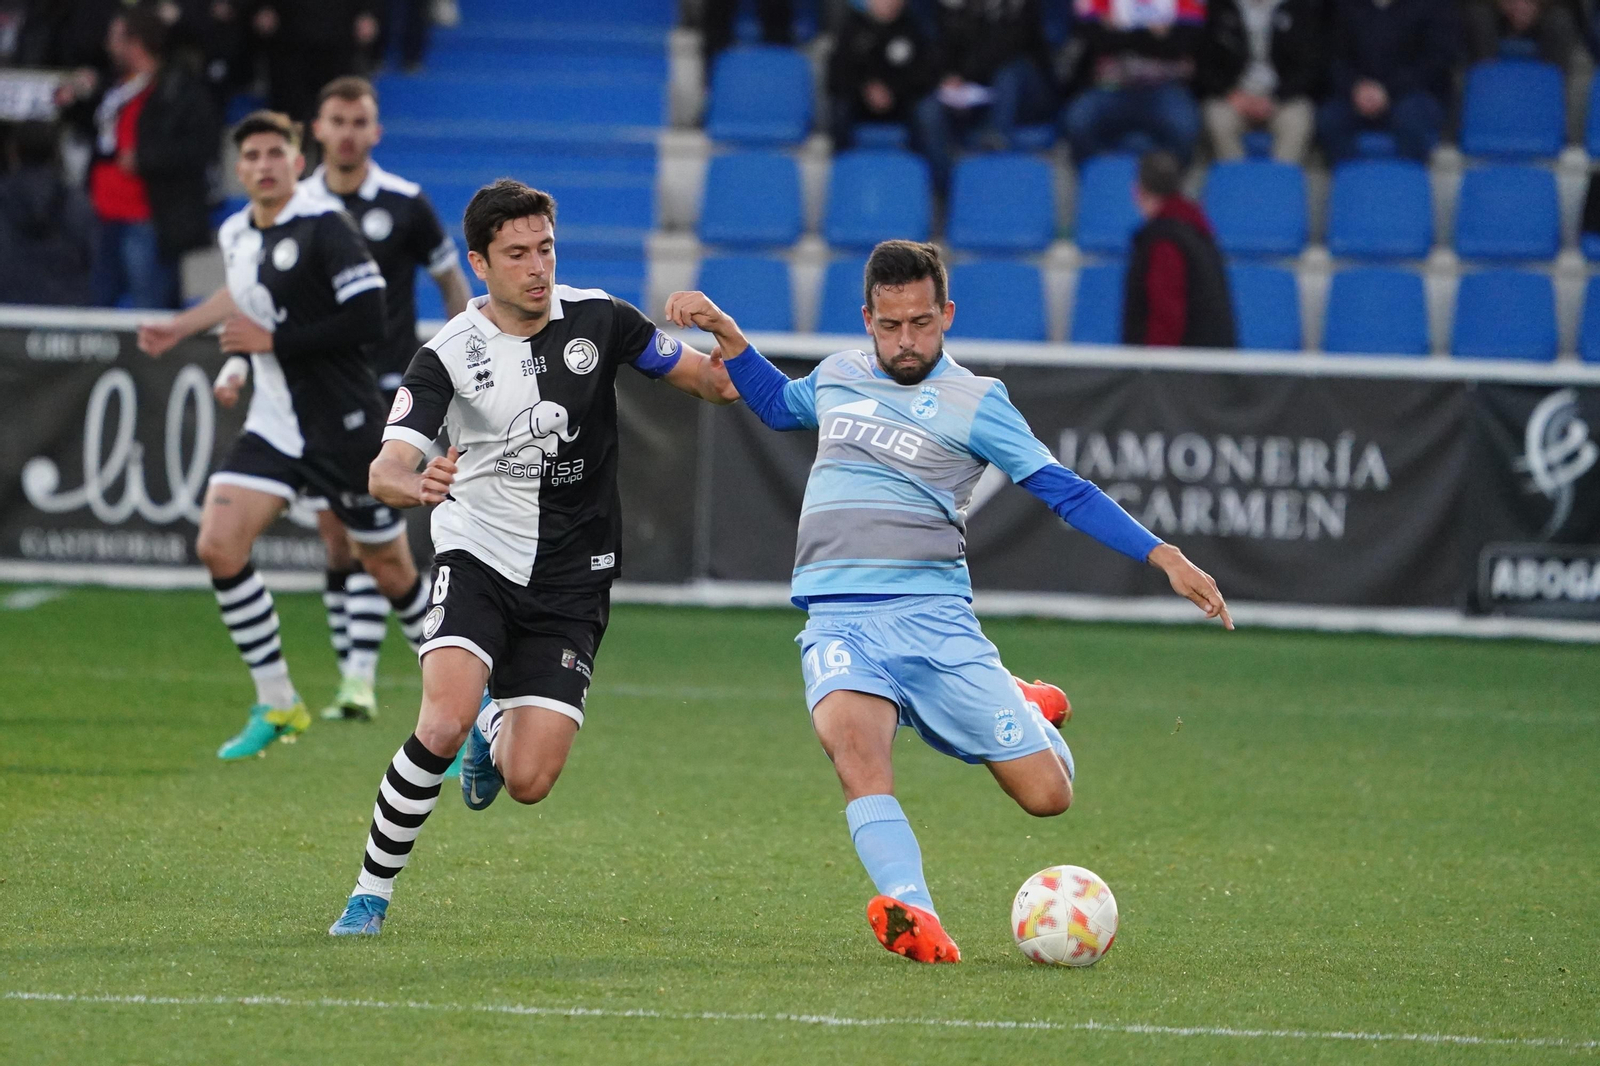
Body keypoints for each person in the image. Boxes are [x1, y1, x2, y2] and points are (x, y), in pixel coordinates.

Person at [671, 240, 1232, 963]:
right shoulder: (840, 374)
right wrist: (732, 337)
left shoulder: (978, 401)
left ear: (947, 315)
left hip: (934, 624)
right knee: (856, 756)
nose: (908, 341)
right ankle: (916, 911)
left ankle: (1021, 703)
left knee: (1047, 797)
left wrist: (1163, 554)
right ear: (868, 317)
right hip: (840, 618)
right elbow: (781, 407)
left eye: (923, 323)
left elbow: (1064, 489)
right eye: (892, 324)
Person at [327, 179, 740, 936]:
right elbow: (384, 469)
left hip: (571, 579)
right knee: (441, 720)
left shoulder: (602, 319)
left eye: (544, 248)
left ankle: (497, 728)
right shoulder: (448, 353)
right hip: (477, 551)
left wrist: (727, 336)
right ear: (480, 264)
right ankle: (369, 893)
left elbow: (713, 385)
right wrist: (416, 483)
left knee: (529, 782)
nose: (537, 267)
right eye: (516, 254)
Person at [136, 111, 418, 761]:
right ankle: (278, 701)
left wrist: (272, 342)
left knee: (390, 571)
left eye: (275, 153)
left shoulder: (327, 228)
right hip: (274, 424)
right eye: (252, 156)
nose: (263, 165)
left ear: (297, 161)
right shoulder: (238, 232)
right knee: (219, 544)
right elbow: (244, 301)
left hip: (342, 424)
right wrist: (188, 333)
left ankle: (472, 707)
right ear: (239, 171)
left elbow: (370, 316)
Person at [299, 74, 472, 721]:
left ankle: (372, 679)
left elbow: (451, 283)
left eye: (358, 121)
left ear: (376, 130)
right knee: (339, 539)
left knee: (380, 543)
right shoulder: (297, 205)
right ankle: (357, 678)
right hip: (317, 393)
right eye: (336, 121)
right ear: (318, 129)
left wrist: (462, 367)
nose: (347, 133)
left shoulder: (404, 203)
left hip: (386, 395)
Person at [83, 5, 175, 308]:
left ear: (134, 44)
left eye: (115, 38)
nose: (108, 46)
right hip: (102, 212)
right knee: (97, 306)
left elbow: (193, 146)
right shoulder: (113, 85)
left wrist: (145, 157)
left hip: (143, 216)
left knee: (149, 307)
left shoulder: (172, 89)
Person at [916, 0, 1056, 193]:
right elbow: (942, 49)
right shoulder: (954, 7)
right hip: (972, 92)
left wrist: (965, 77)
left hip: (1024, 95)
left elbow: (1009, 48)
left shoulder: (1019, 6)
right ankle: (949, 192)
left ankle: (996, 152)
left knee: (1008, 76)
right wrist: (947, 77)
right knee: (928, 111)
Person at [1061, 0, 1207, 166]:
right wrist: (1154, 33)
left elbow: (1183, 44)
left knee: (1185, 129)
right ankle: (1104, 179)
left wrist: (1120, 28)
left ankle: (1160, 188)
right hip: (1108, 88)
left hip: (1166, 87)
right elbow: (1095, 39)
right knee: (1077, 122)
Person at [1316, 0, 1460, 163]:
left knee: (1410, 119)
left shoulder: (1434, 5)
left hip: (1413, 94)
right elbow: (1333, 59)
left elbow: (1437, 60)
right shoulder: (1345, 6)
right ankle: (1349, 183)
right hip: (1357, 94)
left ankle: (1407, 183)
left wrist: (1388, 90)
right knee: (1330, 120)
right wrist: (1355, 87)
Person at [1122, 151, 1236, 348]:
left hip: (1180, 374)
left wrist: (1148, 371)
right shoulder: (1198, 232)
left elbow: (1166, 319)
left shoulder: (1164, 242)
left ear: (1137, 191)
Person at [1196, 0, 1323, 163]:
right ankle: (1237, 180)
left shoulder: (1297, 8)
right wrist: (1231, 94)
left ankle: (1279, 182)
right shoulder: (1220, 7)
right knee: (1217, 118)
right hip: (1234, 95)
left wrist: (1276, 98)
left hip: (1281, 97)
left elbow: (1310, 66)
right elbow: (1205, 64)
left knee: (1299, 119)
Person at [0, 122, 95, 306]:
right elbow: (89, 254)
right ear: (55, 152)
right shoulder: (75, 200)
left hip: (7, 306)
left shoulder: (4, 197)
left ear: (13, 153)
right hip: (66, 305)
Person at [826, 0, 938, 154]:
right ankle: (841, 167)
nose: (889, 3)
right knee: (839, 107)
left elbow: (924, 74)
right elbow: (837, 75)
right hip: (860, 103)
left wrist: (893, 91)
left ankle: (935, 175)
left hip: (902, 101)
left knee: (928, 111)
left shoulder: (913, 29)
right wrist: (866, 90)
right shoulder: (851, 28)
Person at [1465, 0, 1587, 73]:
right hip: (1495, 12)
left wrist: (1536, 4)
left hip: (1543, 11)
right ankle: (1486, 83)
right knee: (1477, 16)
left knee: (1560, 21)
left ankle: (1550, 90)